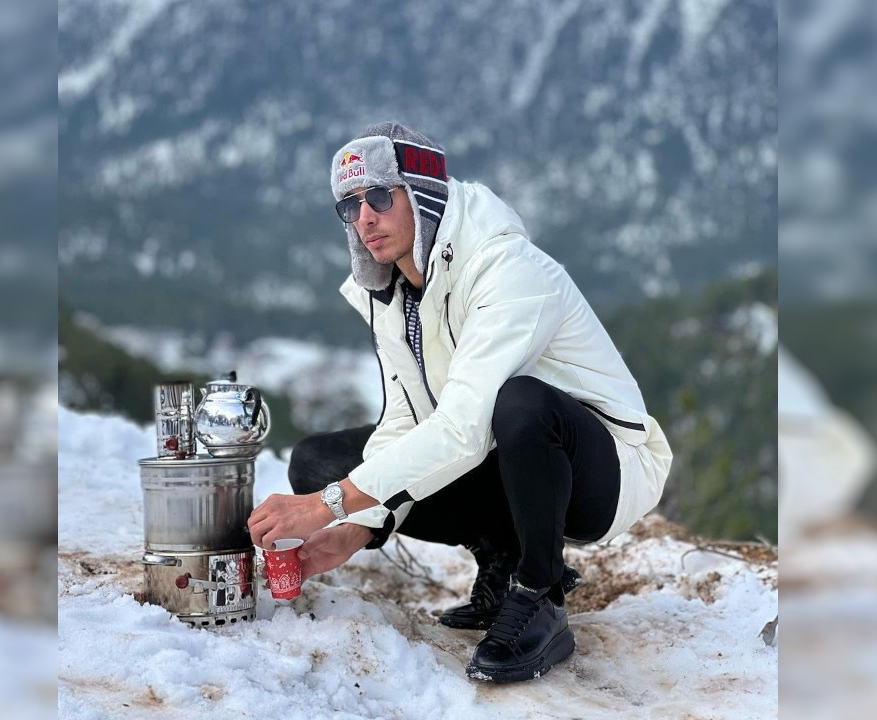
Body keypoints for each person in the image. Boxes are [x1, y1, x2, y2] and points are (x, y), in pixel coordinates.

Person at [247, 122, 672, 683]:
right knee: (319, 462)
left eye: (379, 195)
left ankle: (539, 592)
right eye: (349, 206)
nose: (365, 218)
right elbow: (405, 419)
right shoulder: (396, 292)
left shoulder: (506, 268)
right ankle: (502, 554)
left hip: (601, 470)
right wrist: (358, 525)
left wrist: (327, 505)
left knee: (520, 404)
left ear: (420, 194)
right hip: (499, 455)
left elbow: (462, 430)